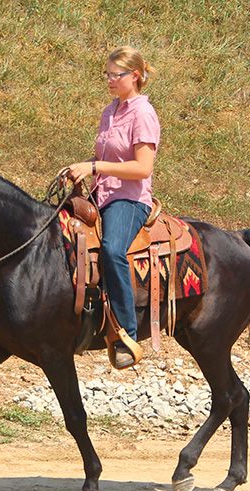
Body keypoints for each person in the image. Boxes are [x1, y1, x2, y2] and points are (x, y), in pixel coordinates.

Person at [65, 46, 160, 369]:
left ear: (134, 76)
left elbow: (142, 168)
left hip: (129, 199)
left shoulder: (143, 114)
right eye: (106, 74)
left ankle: (125, 333)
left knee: (112, 250)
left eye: (115, 75)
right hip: (101, 193)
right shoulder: (110, 111)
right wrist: (82, 166)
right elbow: (106, 159)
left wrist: (95, 167)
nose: (109, 80)